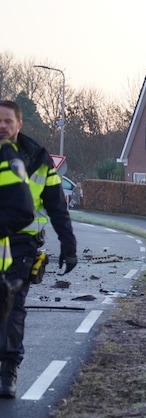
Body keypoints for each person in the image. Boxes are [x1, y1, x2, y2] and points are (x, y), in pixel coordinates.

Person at [0, 100, 75, 398]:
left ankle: (8, 370)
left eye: (8, 121)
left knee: (12, 307)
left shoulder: (39, 161)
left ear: (19, 125)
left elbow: (57, 207)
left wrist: (68, 246)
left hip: (21, 244)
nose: (2, 126)